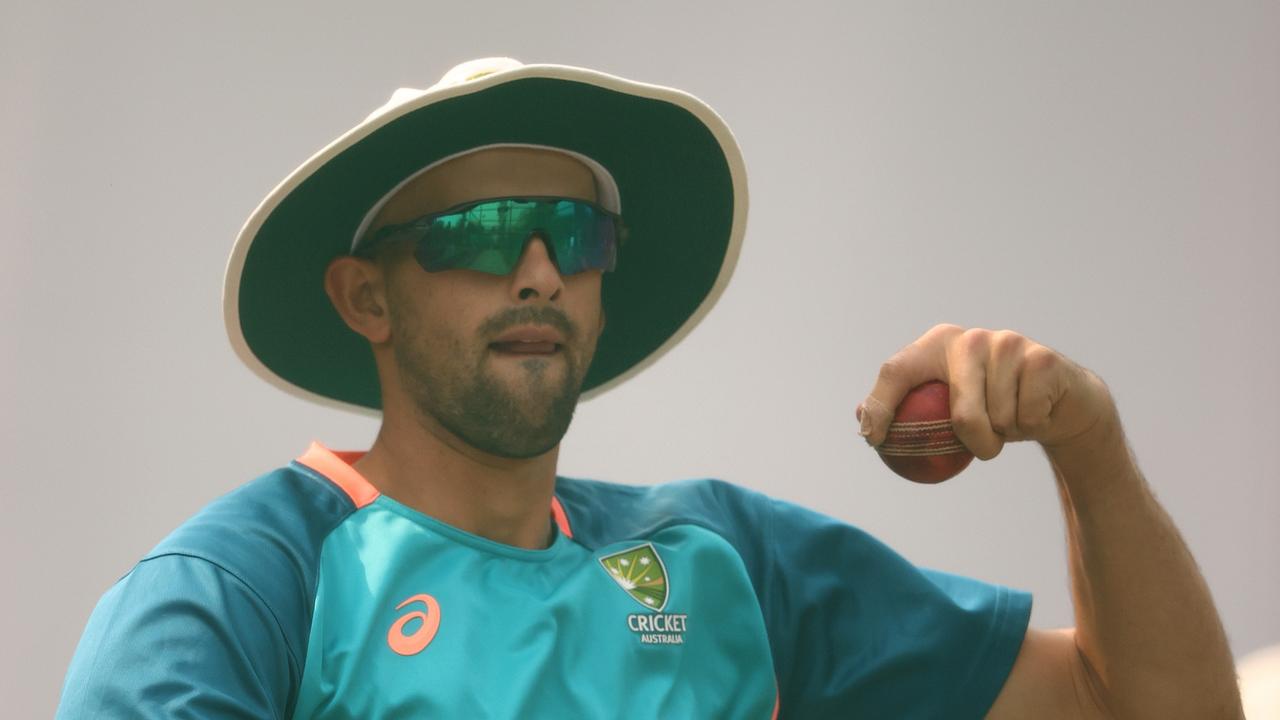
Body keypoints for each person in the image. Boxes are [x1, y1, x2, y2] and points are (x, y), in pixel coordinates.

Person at [57, 57, 1242, 719]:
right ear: (367, 297)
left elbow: (1148, 712)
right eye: (484, 232)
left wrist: (1085, 441)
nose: (537, 268)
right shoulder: (235, 589)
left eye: (576, 237)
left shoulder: (719, 560)